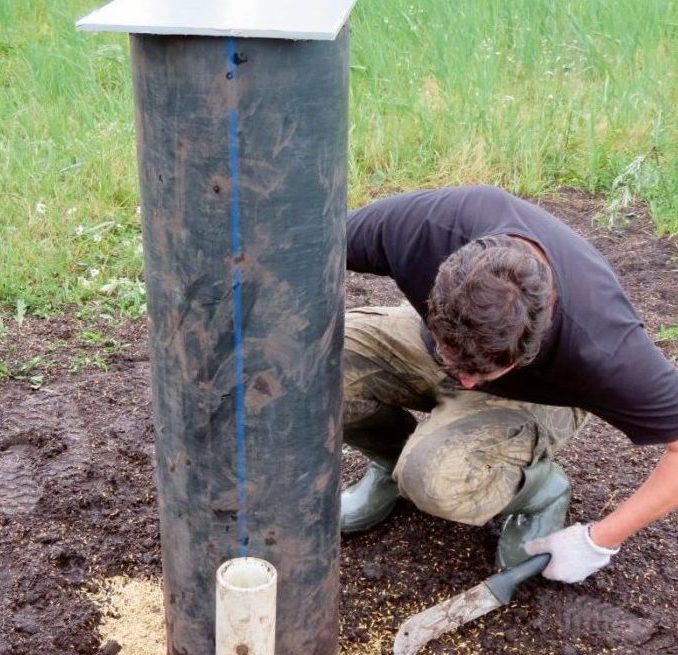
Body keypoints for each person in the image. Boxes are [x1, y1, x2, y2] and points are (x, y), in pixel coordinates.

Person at [341, 185, 678, 583]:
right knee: (308, 366)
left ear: (535, 338)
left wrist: (599, 540)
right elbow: (307, 242)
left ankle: (539, 493)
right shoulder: (427, 226)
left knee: (435, 478)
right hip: (423, 341)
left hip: (542, 395)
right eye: (454, 358)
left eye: (481, 371)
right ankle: (391, 464)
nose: (464, 380)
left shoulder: (603, 347)